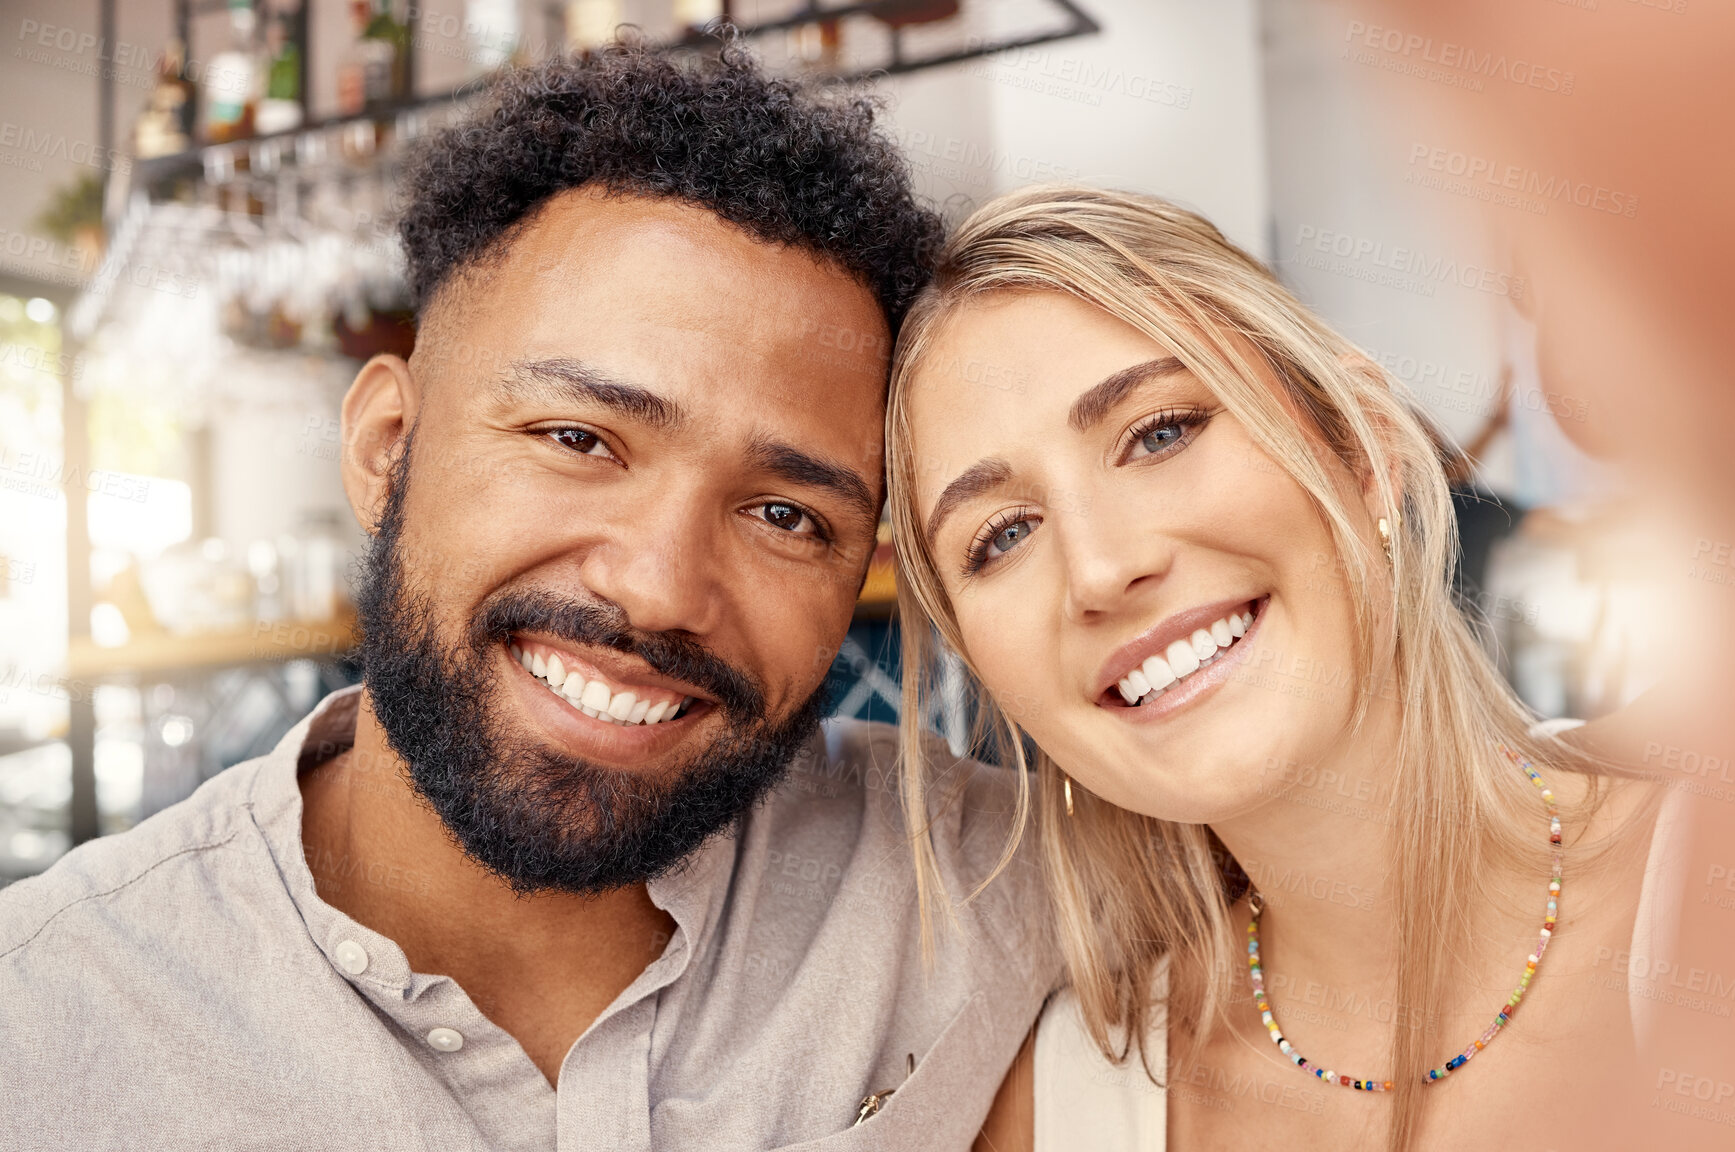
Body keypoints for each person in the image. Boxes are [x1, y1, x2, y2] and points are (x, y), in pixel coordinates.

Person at [0, 45, 1056, 1151]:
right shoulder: (49, 1027)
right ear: (385, 450)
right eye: (578, 439)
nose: (656, 590)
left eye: (785, 515)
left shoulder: (985, 878)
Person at [886, 186, 1674, 1151]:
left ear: (1361, 447)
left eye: (1160, 432)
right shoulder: (1060, 1113)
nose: (1098, 569)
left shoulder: (1696, 875)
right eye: (1001, 536)